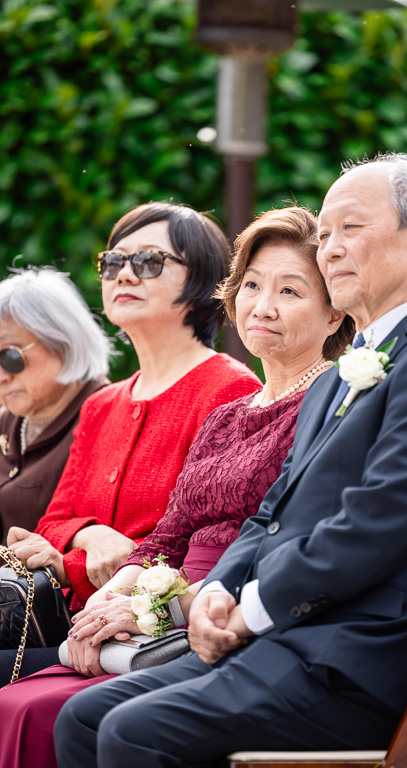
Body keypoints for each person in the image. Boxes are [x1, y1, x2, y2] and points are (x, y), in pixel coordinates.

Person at [52, 153, 407, 768]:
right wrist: (219, 590)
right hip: (282, 642)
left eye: (351, 228)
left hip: (355, 662)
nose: (331, 249)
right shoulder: (333, 380)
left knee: (133, 733)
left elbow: (379, 521)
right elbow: (270, 514)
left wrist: (251, 607)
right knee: (82, 717)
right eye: (326, 234)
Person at [0, 206, 353, 768]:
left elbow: (274, 542)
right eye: (253, 286)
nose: (263, 305)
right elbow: (164, 534)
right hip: (141, 610)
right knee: (22, 700)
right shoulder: (229, 414)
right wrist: (116, 591)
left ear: (336, 315)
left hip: (212, 618)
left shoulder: (324, 405)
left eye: (289, 291)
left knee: (52, 708)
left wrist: (151, 607)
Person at [0, 201, 260, 686]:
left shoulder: (229, 391)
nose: (124, 274)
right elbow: (52, 521)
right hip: (72, 621)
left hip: (145, 639)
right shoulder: (104, 404)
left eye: (148, 261)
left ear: (201, 280)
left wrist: (71, 560)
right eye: (113, 262)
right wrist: (90, 536)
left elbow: (200, 541)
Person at [0, 267, 110, 543]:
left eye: (9, 356)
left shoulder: (108, 415)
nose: (2, 376)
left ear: (61, 341)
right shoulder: (8, 421)